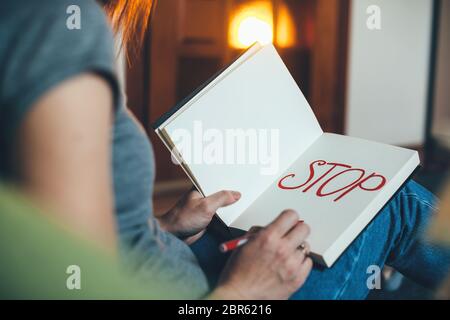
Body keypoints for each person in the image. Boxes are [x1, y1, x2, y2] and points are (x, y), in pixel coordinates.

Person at [0, 0, 448, 299]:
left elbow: (65, 233)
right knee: (391, 203)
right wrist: (243, 291)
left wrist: (162, 226)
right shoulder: (52, 23)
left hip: (178, 259)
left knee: (278, 216)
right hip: (223, 295)